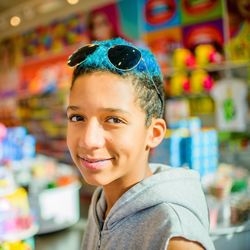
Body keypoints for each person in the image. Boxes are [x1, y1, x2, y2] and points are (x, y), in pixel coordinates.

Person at [66, 37, 215, 250]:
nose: (89, 140)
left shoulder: (174, 238)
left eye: (114, 120)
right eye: (77, 117)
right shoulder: (102, 200)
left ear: (153, 133)